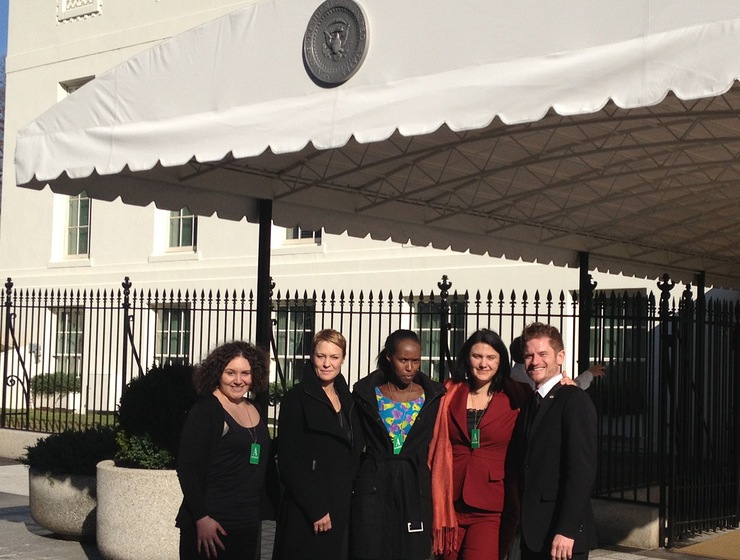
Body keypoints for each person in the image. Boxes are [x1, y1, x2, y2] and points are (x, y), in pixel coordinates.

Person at [428, 329, 532, 560]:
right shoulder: (448, 392)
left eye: (491, 357)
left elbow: (548, 406)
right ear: (467, 358)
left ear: (501, 361)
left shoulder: (517, 396)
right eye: (477, 356)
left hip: (491, 504)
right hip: (449, 501)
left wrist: (568, 385)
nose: (483, 363)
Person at [351, 329, 445, 560]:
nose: (410, 367)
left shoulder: (433, 396)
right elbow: (354, 443)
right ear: (389, 358)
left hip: (414, 485)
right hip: (375, 484)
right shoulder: (367, 394)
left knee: (412, 550)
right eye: (403, 360)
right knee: (371, 549)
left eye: (415, 361)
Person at [272, 329, 364, 560]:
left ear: (343, 359)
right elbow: (288, 461)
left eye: (334, 357)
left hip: (341, 505)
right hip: (309, 510)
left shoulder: (349, 400)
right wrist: (316, 509)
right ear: (312, 356)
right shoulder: (296, 399)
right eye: (321, 356)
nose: (326, 364)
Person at [176, 341, 271, 560]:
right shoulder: (206, 410)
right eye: (231, 373)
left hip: (247, 523)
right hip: (212, 526)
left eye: (245, 373)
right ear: (218, 373)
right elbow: (187, 468)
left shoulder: (254, 408)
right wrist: (201, 518)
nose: (239, 380)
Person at [512, 323, 598, 560]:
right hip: (534, 533)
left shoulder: (574, 400)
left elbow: (582, 471)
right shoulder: (532, 402)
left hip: (562, 538)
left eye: (542, 354)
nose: (534, 361)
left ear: (560, 357)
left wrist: (567, 529)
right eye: (528, 355)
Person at [509, 336, 606, 390]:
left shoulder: (509, 376)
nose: (535, 361)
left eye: (542, 354)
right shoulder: (540, 375)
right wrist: (589, 374)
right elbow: (574, 387)